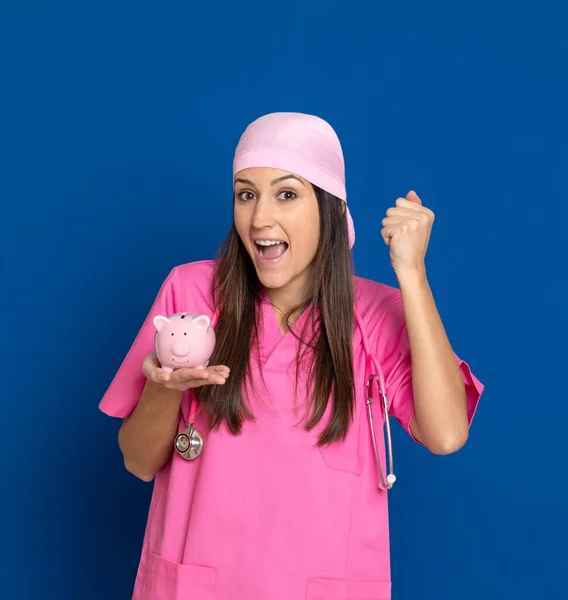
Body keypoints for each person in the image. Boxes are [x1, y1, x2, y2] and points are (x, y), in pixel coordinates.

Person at [99, 112, 484, 600]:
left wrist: (412, 274)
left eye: (286, 194)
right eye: (246, 194)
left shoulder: (373, 316)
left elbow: (447, 433)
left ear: (327, 208)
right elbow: (137, 460)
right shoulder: (192, 295)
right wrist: (162, 388)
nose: (260, 218)